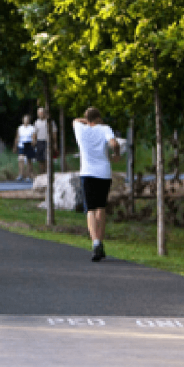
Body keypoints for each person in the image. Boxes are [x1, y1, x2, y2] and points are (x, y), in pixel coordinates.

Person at [72, 108, 121, 262]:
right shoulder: (105, 128)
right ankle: (100, 241)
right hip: (103, 173)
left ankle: (95, 243)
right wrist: (117, 154)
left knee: (90, 209)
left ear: (87, 119)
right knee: (101, 208)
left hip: (87, 173)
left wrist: (88, 121)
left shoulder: (80, 128)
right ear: (99, 118)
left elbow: (75, 120)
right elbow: (114, 144)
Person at [34, 107, 57, 175]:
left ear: (44, 113)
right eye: (39, 113)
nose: (41, 114)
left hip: (48, 142)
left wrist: (55, 143)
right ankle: (42, 174)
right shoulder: (36, 122)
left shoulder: (50, 122)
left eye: (42, 113)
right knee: (41, 160)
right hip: (40, 142)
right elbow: (35, 133)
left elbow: (54, 132)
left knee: (48, 159)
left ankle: (49, 174)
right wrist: (34, 141)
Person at [13, 114, 37, 182]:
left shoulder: (32, 128)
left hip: (29, 144)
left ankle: (28, 175)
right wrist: (15, 146)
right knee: (21, 159)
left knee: (29, 161)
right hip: (21, 144)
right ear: (23, 120)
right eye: (24, 120)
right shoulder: (20, 128)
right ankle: (21, 174)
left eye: (27, 120)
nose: (26, 121)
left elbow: (34, 137)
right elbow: (17, 137)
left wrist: (33, 144)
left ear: (29, 121)